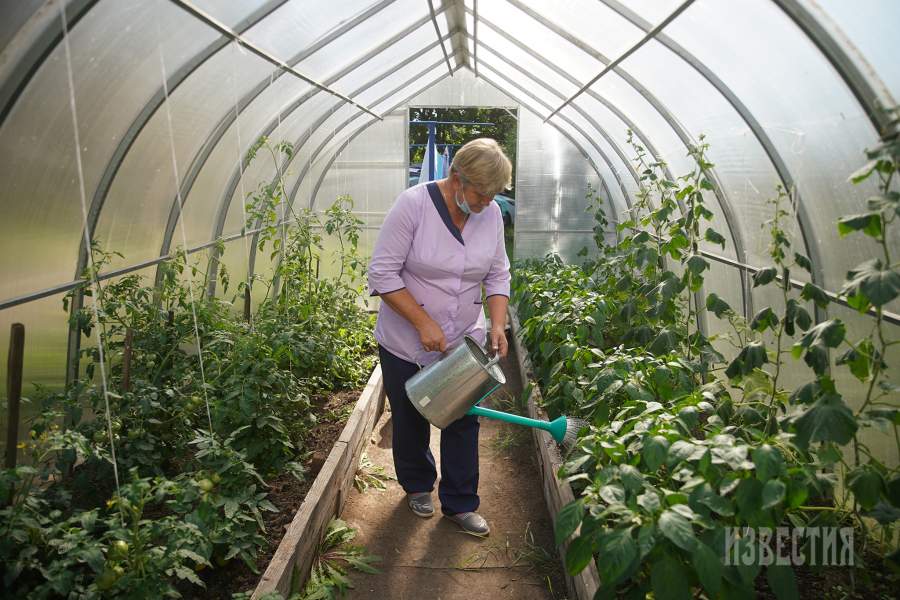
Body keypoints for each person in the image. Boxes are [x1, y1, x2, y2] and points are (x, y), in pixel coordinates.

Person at [368, 138, 512, 536]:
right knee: (411, 411)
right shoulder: (413, 205)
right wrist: (420, 321)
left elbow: (498, 274)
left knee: (463, 417)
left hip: (464, 338)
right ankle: (417, 484)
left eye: (493, 196)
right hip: (405, 339)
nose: (486, 203)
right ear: (456, 178)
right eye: (481, 194)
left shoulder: (492, 214)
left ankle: (460, 502)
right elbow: (382, 274)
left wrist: (497, 324)